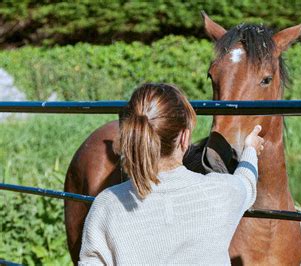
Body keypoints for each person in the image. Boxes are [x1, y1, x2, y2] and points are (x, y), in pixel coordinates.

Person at [79, 83, 264, 265]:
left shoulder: (106, 206)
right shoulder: (221, 192)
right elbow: (246, 182)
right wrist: (250, 150)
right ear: (184, 138)